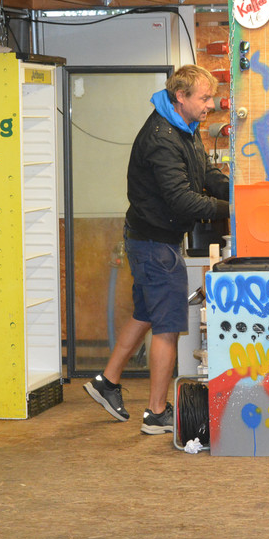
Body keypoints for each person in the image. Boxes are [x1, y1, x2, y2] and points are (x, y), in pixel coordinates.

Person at [85, 64, 229, 435]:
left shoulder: (185, 127)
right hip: (154, 244)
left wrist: (238, 191)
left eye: (211, 98)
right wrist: (233, 209)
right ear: (181, 96)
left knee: (146, 313)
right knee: (167, 327)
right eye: (204, 98)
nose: (210, 105)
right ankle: (155, 412)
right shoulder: (162, 138)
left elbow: (204, 174)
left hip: (152, 240)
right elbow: (182, 200)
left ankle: (107, 381)